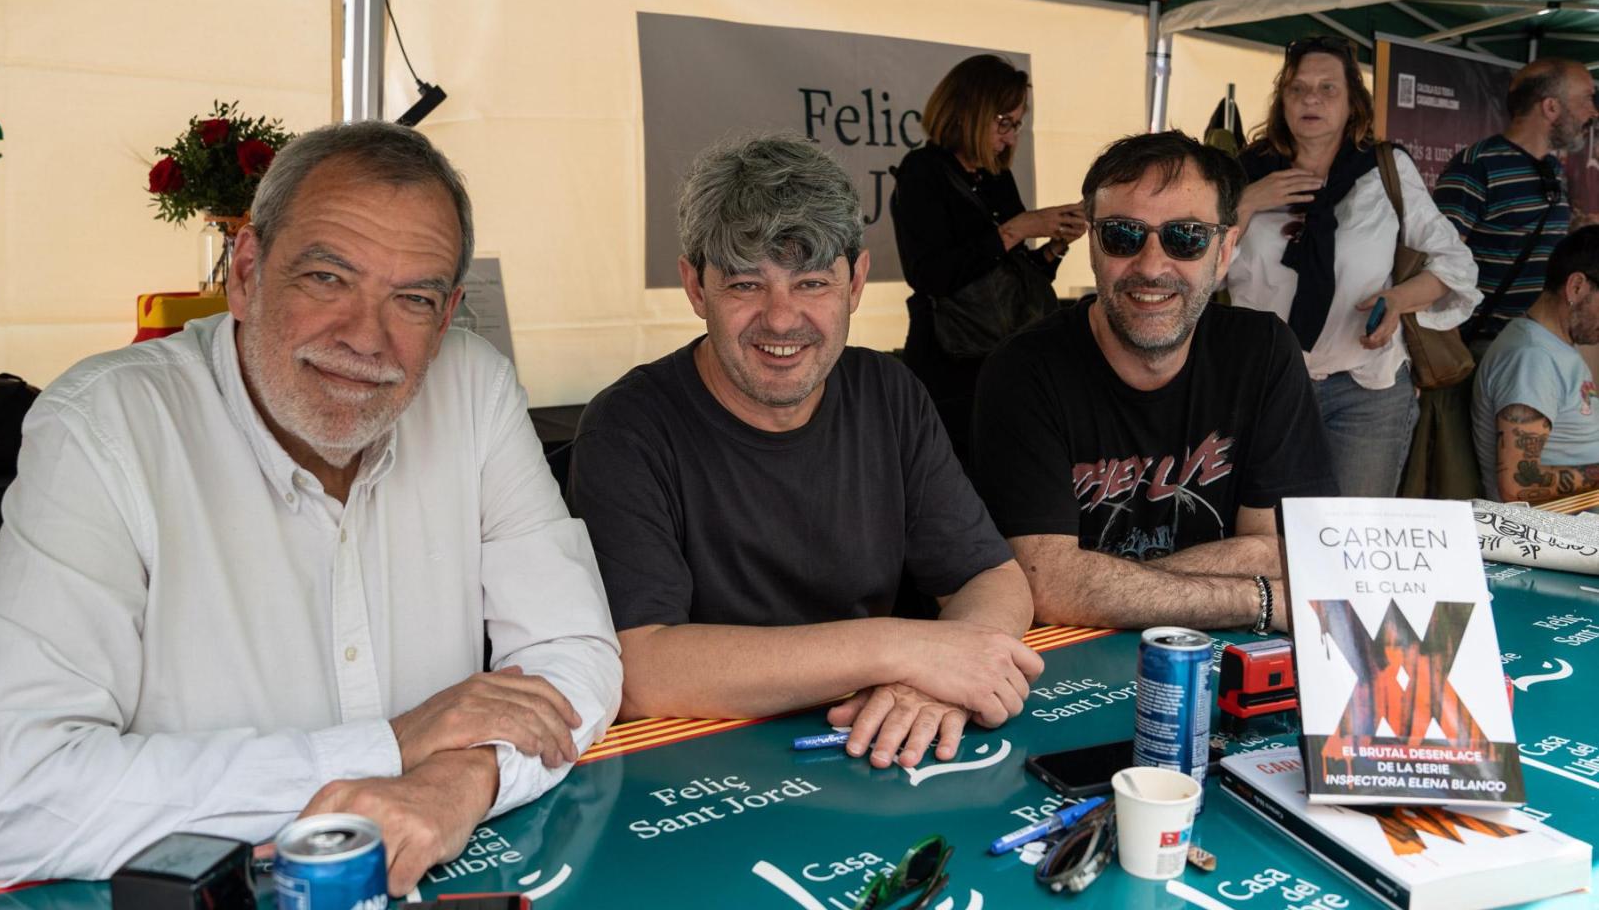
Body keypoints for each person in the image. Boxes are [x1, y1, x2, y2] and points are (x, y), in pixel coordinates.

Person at [0, 122, 622, 895]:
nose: (366, 337)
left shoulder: (473, 387)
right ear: (245, 272)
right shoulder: (107, 424)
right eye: (327, 278)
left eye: (413, 299)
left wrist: (466, 776)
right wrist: (392, 748)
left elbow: (578, 653)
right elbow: (0, 802)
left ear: (448, 314)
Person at [568, 133, 1044, 771]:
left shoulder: (889, 392)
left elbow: (991, 578)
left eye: (812, 282)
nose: (782, 318)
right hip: (701, 774)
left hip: (872, 747)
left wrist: (924, 684)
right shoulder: (627, 428)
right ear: (694, 287)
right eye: (745, 284)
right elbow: (643, 668)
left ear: (856, 283)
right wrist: (902, 651)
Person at [972, 130, 1337, 632]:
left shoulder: (1264, 351)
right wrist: (1258, 599)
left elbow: (1283, 548)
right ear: (1093, 245)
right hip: (1076, 661)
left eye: (1186, 237)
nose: (1151, 266)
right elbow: (1045, 586)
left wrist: (1096, 585)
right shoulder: (1023, 371)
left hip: (1213, 650)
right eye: (1123, 235)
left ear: (1224, 250)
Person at [1228, 36, 1480, 498]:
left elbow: (1455, 263)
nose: (1311, 99)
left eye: (1328, 88)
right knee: (1264, 529)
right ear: (1282, 100)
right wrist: (1245, 204)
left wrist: (1398, 300)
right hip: (1265, 388)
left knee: (1353, 532)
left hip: (1366, 393)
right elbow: (1197, 270)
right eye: (1298, 88)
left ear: (1352, 104)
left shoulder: (1384, 169)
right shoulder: (1245, 171)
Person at [890, 54, 1085, 471]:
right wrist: (1016, 229)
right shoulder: (922, 172)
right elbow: (929, 274)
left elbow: (1014, 281)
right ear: (971, 111)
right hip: (951, 362)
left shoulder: (996, 177)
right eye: (1004, 123)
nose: (1011, 138)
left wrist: (1055, 247)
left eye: (1017, 125)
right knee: (956, 475)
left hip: (1004, 356)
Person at [1434, 57, 1596, 348]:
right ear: (1551, 107)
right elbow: (1437, 261)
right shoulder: (1477, 165)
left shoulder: (1552, 169)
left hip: (1537, 340)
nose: (1593, 111)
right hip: (1482, 345)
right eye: (1586, 98)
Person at [1472, 226, 1599, 502]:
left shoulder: (1554, 345)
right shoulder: (1531, 359)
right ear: (1576, 287)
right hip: (1555, 527)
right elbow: (1517, 487)